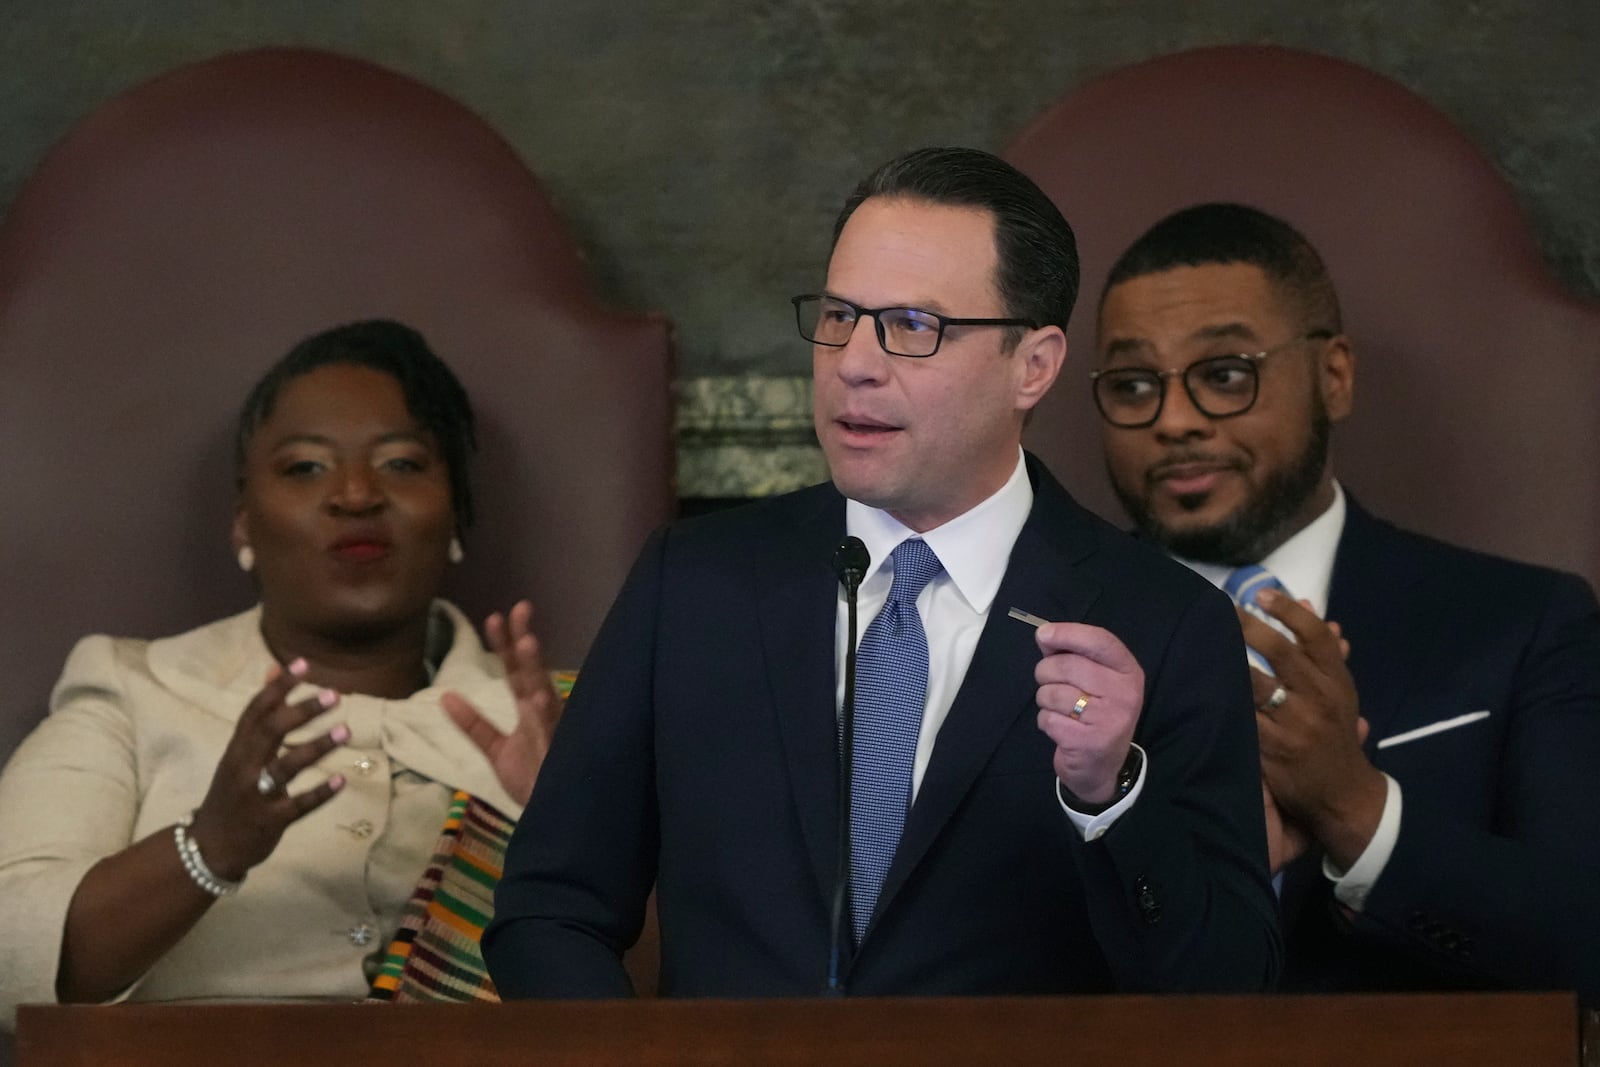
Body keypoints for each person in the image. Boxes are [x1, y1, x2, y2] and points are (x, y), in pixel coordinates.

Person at [483, 148, 1278, 998]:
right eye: (837, 317)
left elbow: (1229, 985)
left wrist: (1113, 795)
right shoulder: (695, 584)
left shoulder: (1163, 623)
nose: (855, 362)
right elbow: (548, 908)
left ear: (1033, 365)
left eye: (911, 326)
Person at [1090, 202, 1600, 998]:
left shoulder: (1526, 626)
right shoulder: (1041, 629)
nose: (1176, 420)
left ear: (1333, 376)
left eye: (1225, 374)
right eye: (1132, 385)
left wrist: (1358, 810)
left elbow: (1585, 947)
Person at [0, 319, 561, 1023]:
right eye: (305, 466)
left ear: (456, 517)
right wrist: (208, 847)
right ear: (242, 522)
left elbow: (667, 993)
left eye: (402, 463)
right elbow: (7, 957)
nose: (356, 494)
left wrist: (572, 825)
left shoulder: (557, 726)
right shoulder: (129, 689)